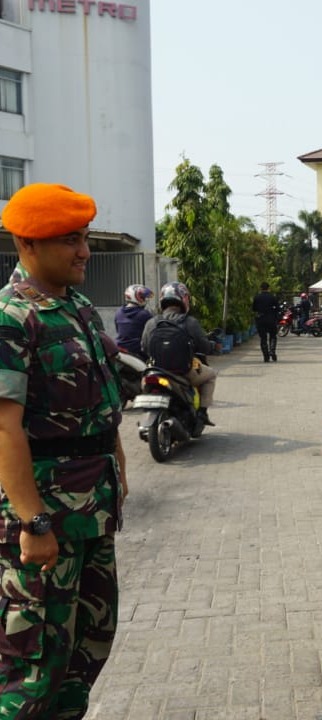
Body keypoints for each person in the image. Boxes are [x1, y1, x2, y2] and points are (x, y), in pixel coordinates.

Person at [0, 183, 127, 717]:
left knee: (88, 644)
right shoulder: (12, 317)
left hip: (91, 511)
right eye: (69, 240)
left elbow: (102, 401)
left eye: (86, 238)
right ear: (27, 244)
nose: (84, 251)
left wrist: (118, 466)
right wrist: (33, 523)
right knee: (33, 662)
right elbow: (4, 427)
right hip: (47, 518)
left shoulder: (75, 305)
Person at [141, 281, 218, 426]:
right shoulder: (190, 322)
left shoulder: (151, 322)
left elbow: (144, 347)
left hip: (156, 370)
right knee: (211, 375)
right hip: (184, 371)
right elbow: (205, 347)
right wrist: (210, 347)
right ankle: (202, 412)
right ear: (184, 299)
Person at [114, 283, 154, 360]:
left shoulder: (119, 312)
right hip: (138, 353)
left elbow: (117, 330)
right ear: (135, 296)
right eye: (142, 297)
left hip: (119, 350)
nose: (145, 299)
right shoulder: (145, 314)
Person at [252, 281, 279, 362]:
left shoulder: (257, 297)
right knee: (273, 336)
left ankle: (266, 356)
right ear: (268, 288)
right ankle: (272, 351)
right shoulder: (272, 297)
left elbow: (254, 309)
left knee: (263, 338)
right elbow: (277, 308)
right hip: (271, 319)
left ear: (261, 288)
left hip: (261, 319)